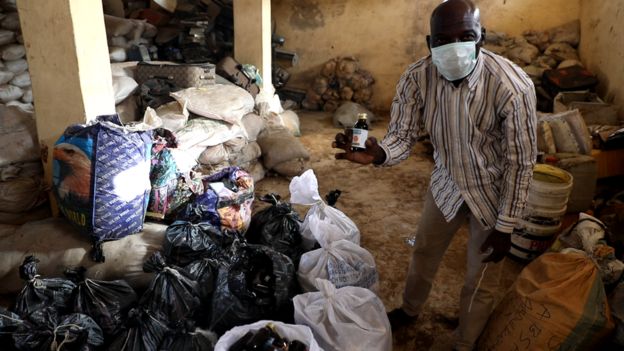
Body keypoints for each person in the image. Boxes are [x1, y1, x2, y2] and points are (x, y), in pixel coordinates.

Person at [332, 0, 537, 349]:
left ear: (481, 38)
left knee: (481, 276)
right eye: (443, 39)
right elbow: (402, 135)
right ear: (430, 43)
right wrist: (380, 153)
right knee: (424, 252)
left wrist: (506, 227)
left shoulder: (512, 86)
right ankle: (410, 310)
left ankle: (465, 341)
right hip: (446, 184)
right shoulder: (417, 77)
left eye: (466, 36)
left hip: (494, 194)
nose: (454, 47)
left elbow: (521, 162)